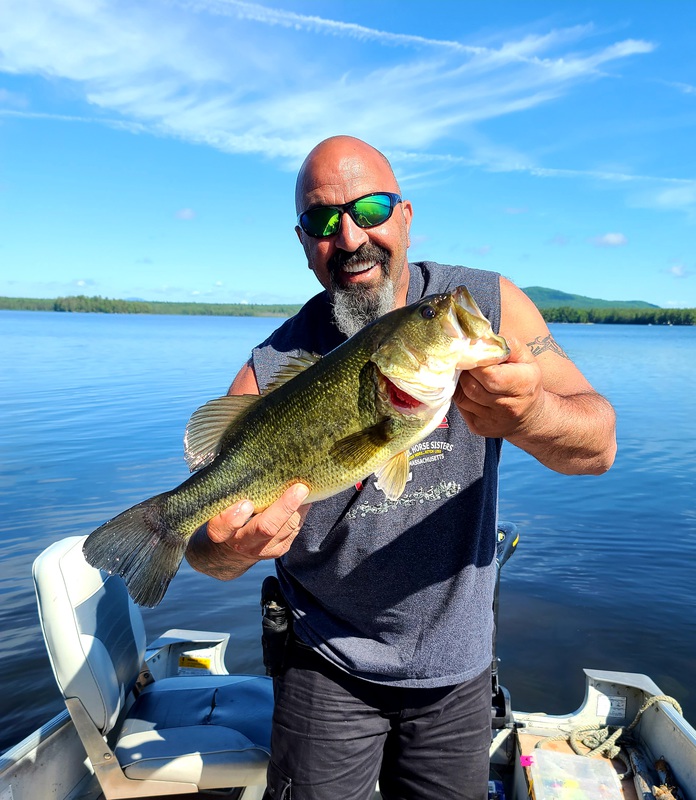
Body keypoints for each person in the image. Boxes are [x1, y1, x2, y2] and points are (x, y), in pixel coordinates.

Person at [186, 135, 617, 800]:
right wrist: (226, 549)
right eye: (323, 221)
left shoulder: (487, 306)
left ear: (406, 215)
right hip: (323, 662)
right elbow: (202, 547)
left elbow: (600, 445)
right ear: (303, 243)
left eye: (371, 209)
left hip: (457, 670)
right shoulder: (269, 369)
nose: (350, 236)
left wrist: (531, 414)